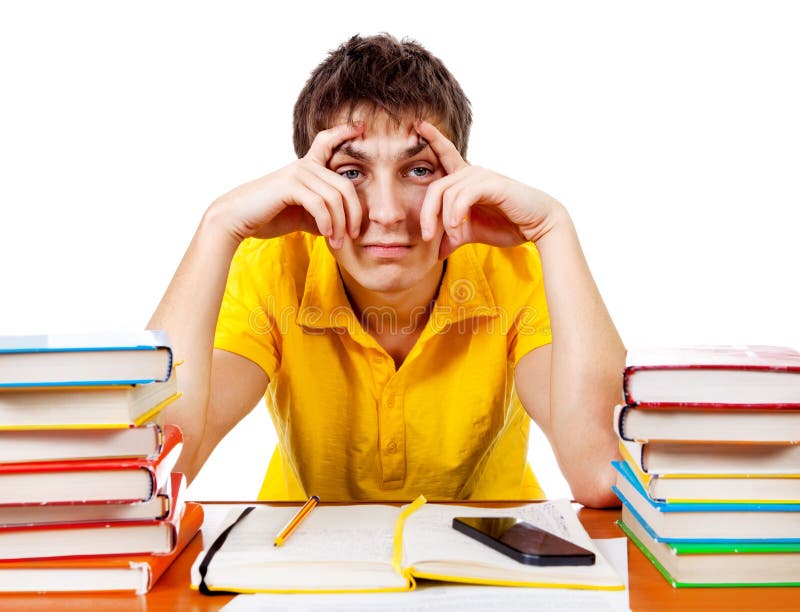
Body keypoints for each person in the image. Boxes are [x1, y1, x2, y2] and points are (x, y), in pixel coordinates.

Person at [148, 34, 624, 507]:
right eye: (351, 173)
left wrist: (553, 227)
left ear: (459, 178)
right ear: (307, 184)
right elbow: (157, 465)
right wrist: (218, 226)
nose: (388, 212)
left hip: (491, 561)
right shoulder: (273, 266)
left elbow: (602, 474)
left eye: (418, 170)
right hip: (304, 555)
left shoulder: (514, 267)